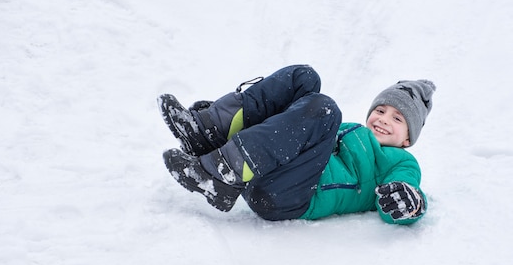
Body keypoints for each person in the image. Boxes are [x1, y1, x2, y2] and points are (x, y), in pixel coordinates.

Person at [158, 64, 435, 225]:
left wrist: (410, 203)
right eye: (381, 110)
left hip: (291, 197)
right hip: (267, 172)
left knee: (324, 109)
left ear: (408, 138)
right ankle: (208, 131)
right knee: (304, 77)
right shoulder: (350, 130)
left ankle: (223, 174)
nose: (384, 119)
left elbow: (408, 189)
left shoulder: (401, 161)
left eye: (397, 118)